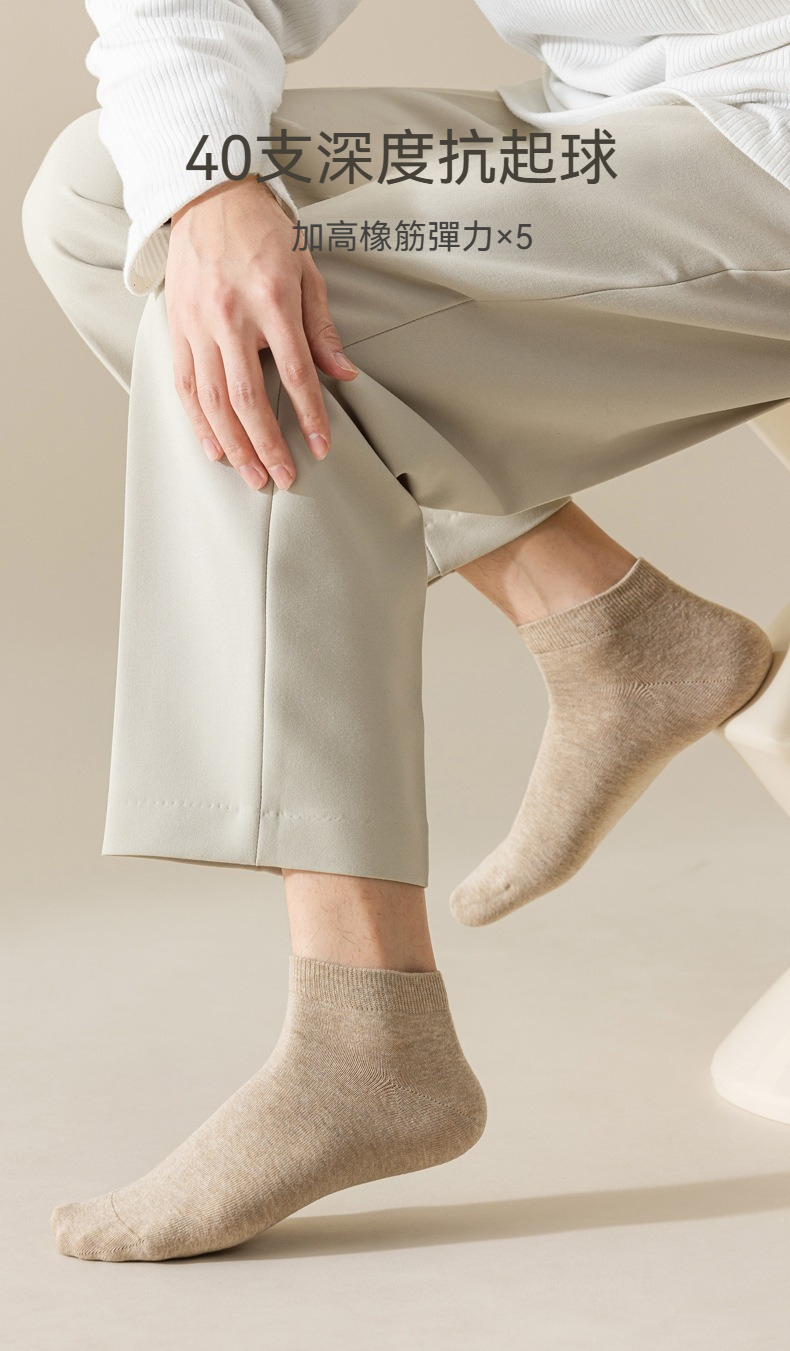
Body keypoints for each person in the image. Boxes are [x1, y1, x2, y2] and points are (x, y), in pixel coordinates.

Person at [21, 0, 790, 1262]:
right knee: (108, 199)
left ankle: (365, 1025)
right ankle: (596, 614)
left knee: (272, 325)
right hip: (622, 122)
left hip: (764, 133)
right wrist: (211, 188)